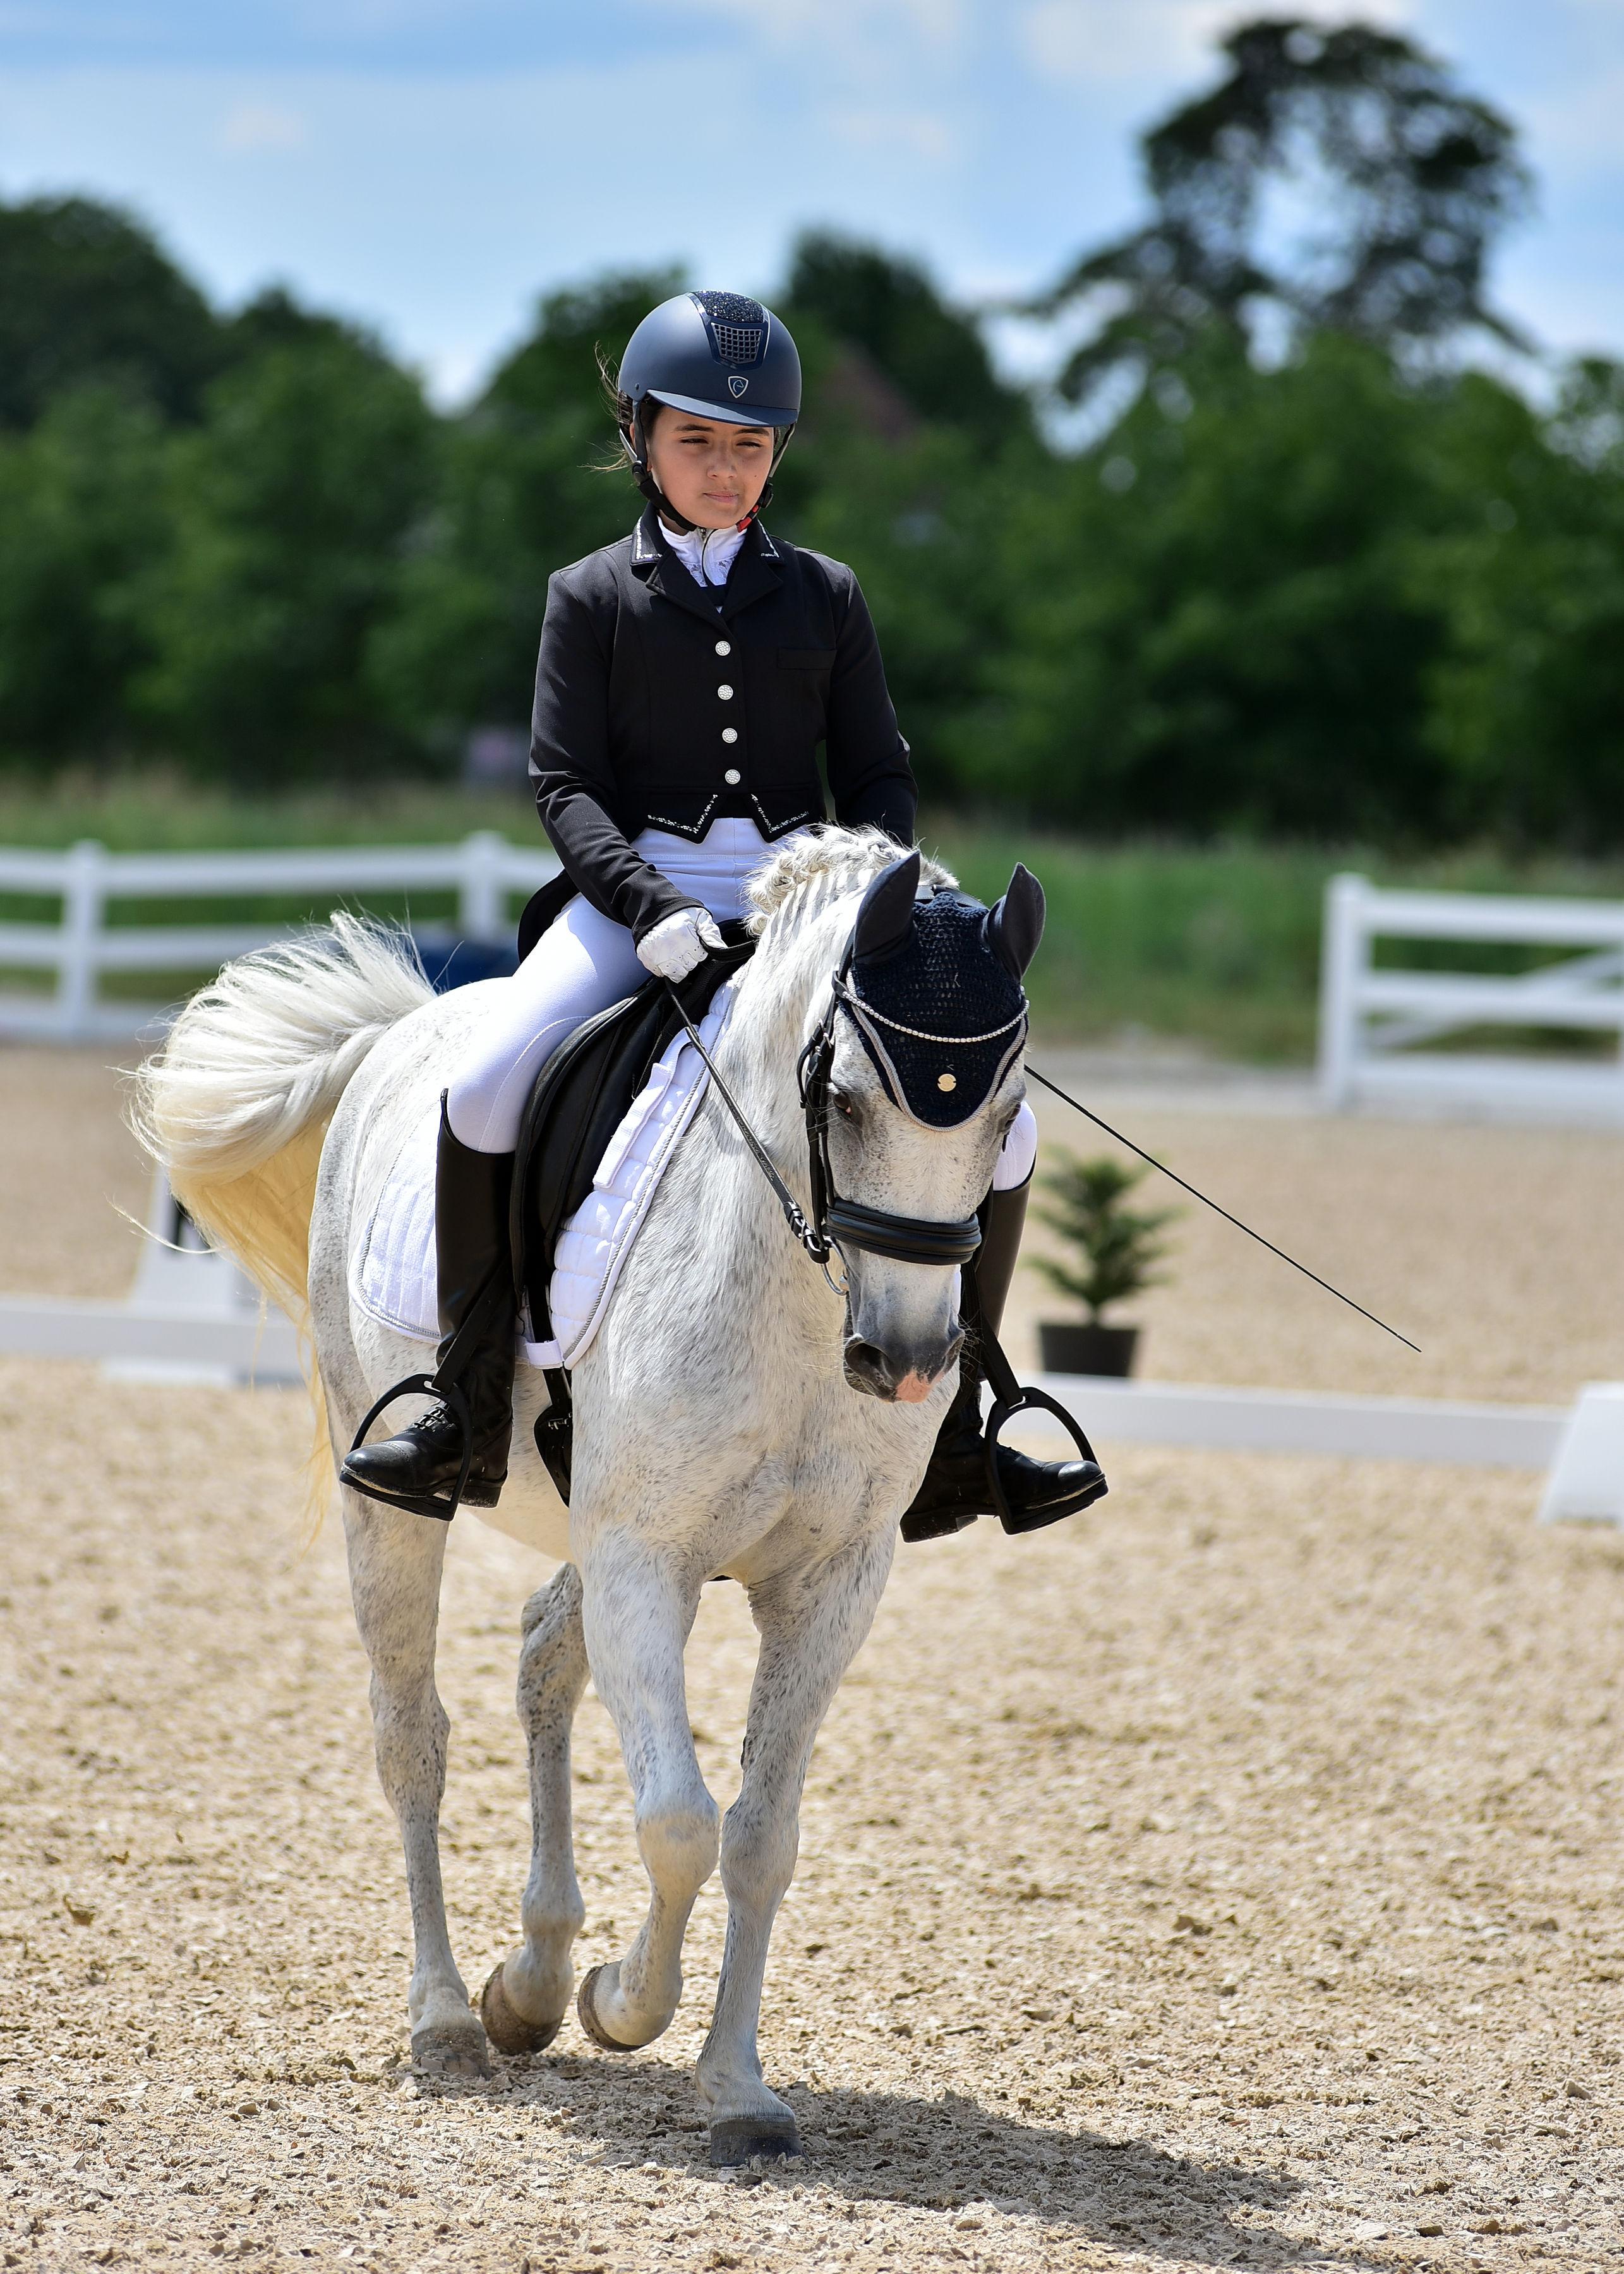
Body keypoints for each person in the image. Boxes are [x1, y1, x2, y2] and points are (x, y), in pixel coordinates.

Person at [341, 289, 1100, 1536]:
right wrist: (645, 913)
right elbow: (562, 784)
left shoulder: (825, 594)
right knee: (484, 1082)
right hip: (625, 898)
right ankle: (458, 1395)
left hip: (806, 908)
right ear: (642, 438)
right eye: (697, 441)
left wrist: (880, 901)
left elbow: (876, 777)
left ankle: (965, 1420)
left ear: (779, 454)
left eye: (749, 447)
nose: (724, 469)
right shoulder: (589, 595)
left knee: (998, 1136)